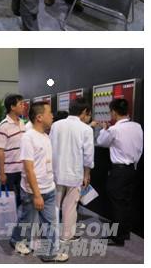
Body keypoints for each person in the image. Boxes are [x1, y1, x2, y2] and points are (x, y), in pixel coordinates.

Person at [10, 103, 69, 262]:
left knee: (50, 223)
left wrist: (51, 184)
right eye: (49, 113)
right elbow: (29, 169)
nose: (52, 116)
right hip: (32, 191)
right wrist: (37, 195)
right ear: (39, 117)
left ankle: (49, 253)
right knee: (26, 220)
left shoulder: (45, 136)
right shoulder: (28, 137)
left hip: (48, 188)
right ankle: (16, 240)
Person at [95, 98, 143, 246]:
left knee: (117, 204)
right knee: (126, 202)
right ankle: (124, 232)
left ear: (114, 112)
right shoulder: (137, 126)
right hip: (133, 169)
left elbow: (101, 142)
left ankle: (117, 237)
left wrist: (104, 129)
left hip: (119, 172)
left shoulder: (114, 129)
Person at [48, 97, 94, 243]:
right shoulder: (86, 129)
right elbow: (88, 156)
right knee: (70, 206)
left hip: (56, 171)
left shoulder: (56, 125)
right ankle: (66, 236)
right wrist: (87, 174)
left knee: (54, 205)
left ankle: (51, 235)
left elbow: (49, 146)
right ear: (84, 111)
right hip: (75, 173)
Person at [0, 94, 26, 207]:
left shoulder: (22, 122)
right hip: (9, 171)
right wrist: (2, 173)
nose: (23, 106)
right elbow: (0, 151)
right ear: (12, 107)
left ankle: (18, 218)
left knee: (21, 200)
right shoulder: (4, 126)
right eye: (21, 104)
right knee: (8, 203)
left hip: (21, 169)